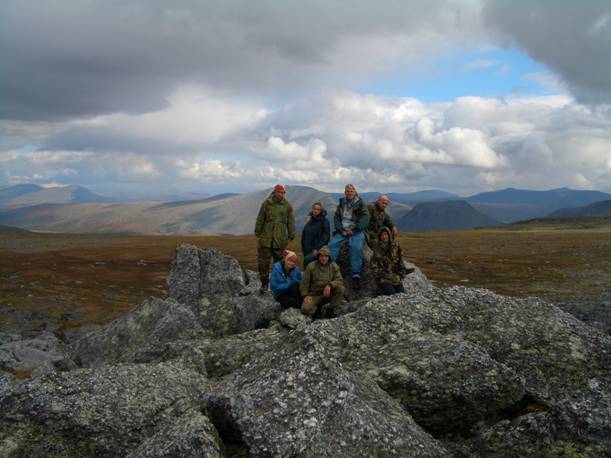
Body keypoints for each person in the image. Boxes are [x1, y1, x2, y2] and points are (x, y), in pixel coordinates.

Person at [255, 184, 296, 293]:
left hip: (280, 239)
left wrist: (292, 233)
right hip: (266, 238)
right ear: (275, 192)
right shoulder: (267, 204)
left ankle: (277, 284)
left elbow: (291, 221)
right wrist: (258, 232)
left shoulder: (287, 206)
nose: (281, 194)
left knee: (279, 264)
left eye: (283, 193)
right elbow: (260, 218)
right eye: (279, 192)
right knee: (263, 263)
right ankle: (264, 285)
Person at [328, 184, 369, 287]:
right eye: (347, 191)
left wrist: (354, 230)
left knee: (355, 247)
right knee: (332, 245)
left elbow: (365, 218)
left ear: (355, 192)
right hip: (343, 230)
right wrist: (341, 230)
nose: (349, 193)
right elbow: (336, 218)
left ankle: (356, 274)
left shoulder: (360, 203)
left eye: (351, 191)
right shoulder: (342, 203)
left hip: (356, 231)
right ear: (345, 192)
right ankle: (329, 270)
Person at [300, 246, 345, 317]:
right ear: (318, 256)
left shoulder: (334, 266)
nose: (323, 258)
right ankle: (317, 309)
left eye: (326, 256)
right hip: (314, 295)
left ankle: (330, 309)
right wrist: (305, 295)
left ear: (329, 257)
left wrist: (330, 285)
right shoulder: (311, 266)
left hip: (327, 294)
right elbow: (304, 283)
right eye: (321, 256)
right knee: (305, 309)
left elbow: (339, 280)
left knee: (341, 289)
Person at [370, 226, 414, 295]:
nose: (384, 237)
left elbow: (400, 261)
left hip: (395, 277)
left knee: (401, 294)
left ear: (389, 235)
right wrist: (381, 273)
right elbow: (373, 266)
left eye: (385, 234)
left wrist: (401, 273)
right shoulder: (377, 250)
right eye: (382, 235)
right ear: (379, 237)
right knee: (391, 294)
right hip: (384, 278)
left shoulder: (396, 246)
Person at [301, 202, 330, 269]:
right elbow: (305, 234)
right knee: (310, 265)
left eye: (318, 209)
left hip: (317, 249)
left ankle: (307, 278)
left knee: (307, 260)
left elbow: (326, 236)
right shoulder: (310, 220)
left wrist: (317, 249)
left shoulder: (324, 221)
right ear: (312, 209)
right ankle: (309, 278)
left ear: (321, 210)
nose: (316, 211)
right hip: (307, 249)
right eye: (314, 209)